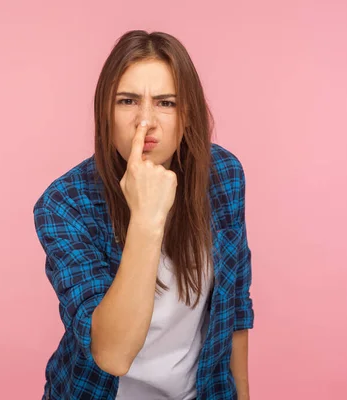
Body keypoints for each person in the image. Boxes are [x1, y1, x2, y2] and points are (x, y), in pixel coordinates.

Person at [33, 30, 254, 400]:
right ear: (105, 111)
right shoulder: (64, 204)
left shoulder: (224, 176)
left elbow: (235, 307)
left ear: (188, 114)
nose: (145, 121)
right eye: (128, 101)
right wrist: (146, 219)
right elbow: (112, 355)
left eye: (166, 103)